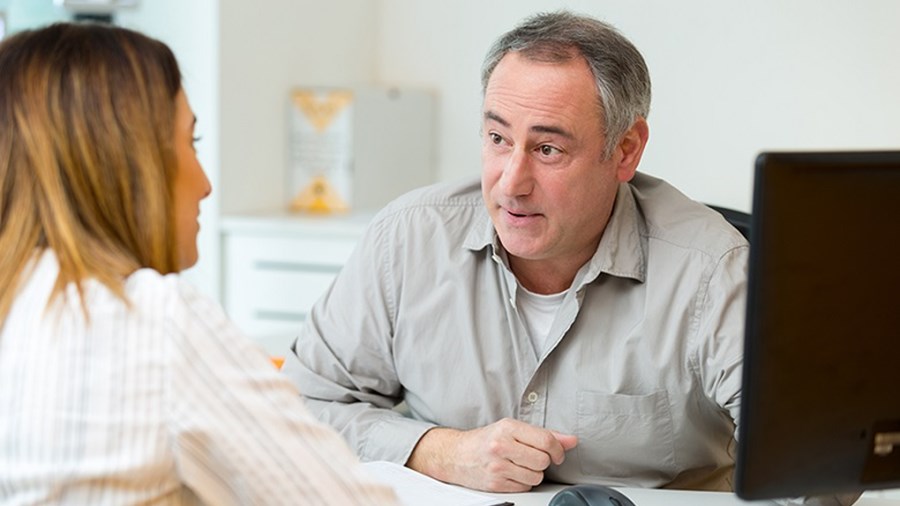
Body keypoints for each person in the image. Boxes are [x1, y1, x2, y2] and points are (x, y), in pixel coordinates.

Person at [282, 10, 858, 506]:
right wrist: (439, 451)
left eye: (548, 148)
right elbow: (298, 410)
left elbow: (818, 466)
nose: (511, 183)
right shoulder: (408, 239)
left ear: (625, 150)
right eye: (497, 139)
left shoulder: (712, 270)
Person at [0, 23, 397, 505]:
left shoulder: (17, 302)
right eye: (191, 142)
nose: (206, 184)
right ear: (129, 165)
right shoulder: (154, 319)